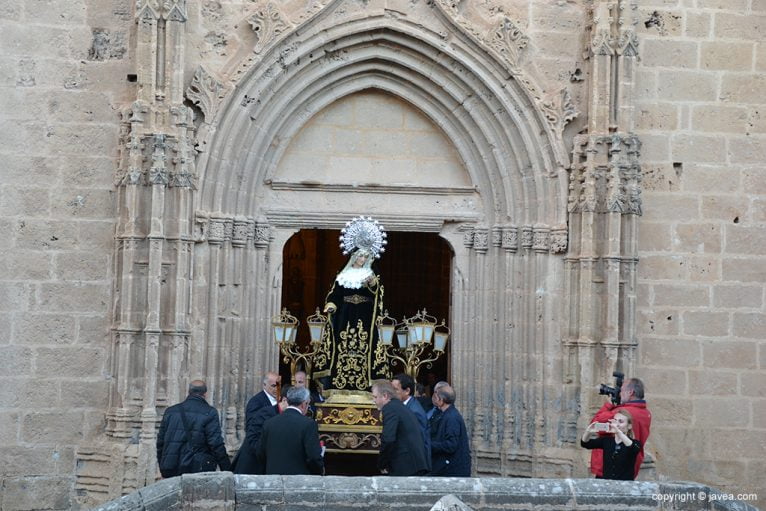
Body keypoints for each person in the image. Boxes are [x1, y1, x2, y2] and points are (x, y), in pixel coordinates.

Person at [313, 248, 389, 392]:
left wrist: (373, 284)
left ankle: (365, 384)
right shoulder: (343, 275)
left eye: (366, 257)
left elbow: (379, 293)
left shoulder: (371, 274)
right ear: (354, 257)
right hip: (344, 316)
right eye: (361, 256)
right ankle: (337, 383)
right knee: (342, 345)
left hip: (364, 316)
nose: (363, 259)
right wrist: (331, 304)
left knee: (365, 345)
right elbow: (335, 293)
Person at [156, 380, 231, 478]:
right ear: (205, 394)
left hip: (171, 467)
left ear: (189, 392)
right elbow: (216, 444)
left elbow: (160, 442)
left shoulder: (171, 411)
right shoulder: (209, 412)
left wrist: (163, 465)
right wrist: (227, 469)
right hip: (196, 468)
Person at [589, 377, 651, 479]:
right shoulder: (646, 413)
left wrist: (609, 405)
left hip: (611, 465)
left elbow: (594, 425)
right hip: (630, 466)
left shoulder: (621, 413)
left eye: (621, 391)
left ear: (630, 392)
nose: (619, 394)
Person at [256, 386, 324, 475]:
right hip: (298, 482)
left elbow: (260, 453)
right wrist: (319, 472)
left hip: (273, 479)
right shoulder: (308, 424)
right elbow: (313, 457)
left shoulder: (269, 423)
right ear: (304, 404)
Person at [371, 380, 429, 476]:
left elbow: (388, 439)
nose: (374, 400)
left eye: (375, 397)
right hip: (412, 463)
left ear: (385, 396)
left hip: (406, 465)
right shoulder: (398, 406)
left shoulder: (390, 408)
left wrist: (381, 464)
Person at [232, 385, 291, 474]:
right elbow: (252, 439)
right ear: (284, 400)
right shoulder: (265, 413)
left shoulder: (287, 416)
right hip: (251, 467)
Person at [581, 410, 641, 480]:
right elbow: (585, 443)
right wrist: (588, 432)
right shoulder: (607, 441)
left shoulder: (635, 443)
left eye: (620, 422)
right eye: (615, 421)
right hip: (607, 484)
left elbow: (634, 447)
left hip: (625, 486)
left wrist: (618, 432)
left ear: (629, 426)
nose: (617, 424)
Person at [430, 384, 471, 477]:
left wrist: (429, 445)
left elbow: (451, 445)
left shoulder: (452, 417)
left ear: (441, 400)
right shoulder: (445, 414)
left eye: (436, 397)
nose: (434, 399)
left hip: (452, 470)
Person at [392, 373, 431, 470]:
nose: (392, 393)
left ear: (407, 391)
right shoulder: (403, 405)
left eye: (395, 390)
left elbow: (419, 442)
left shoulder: (414, 411)